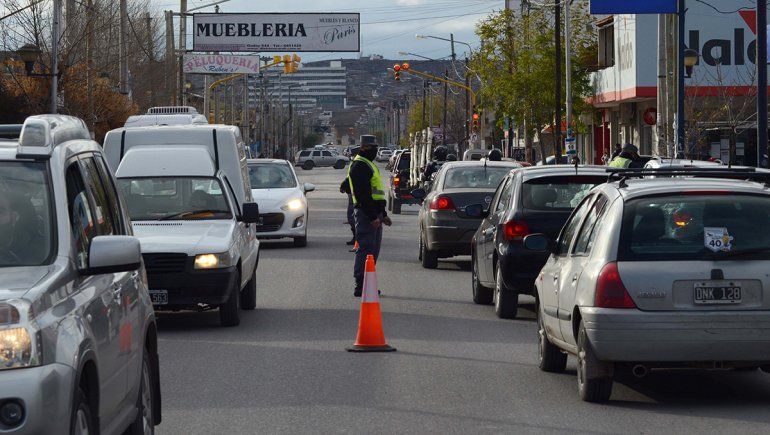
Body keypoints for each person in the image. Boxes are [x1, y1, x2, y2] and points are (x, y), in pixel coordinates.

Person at [348, 136, 391, 297]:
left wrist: (383, 214)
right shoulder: (360, 165)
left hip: (374, 212)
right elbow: (363, 195)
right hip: (366, 214)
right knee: (366, 248)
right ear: (363, 148)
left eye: (375, 147)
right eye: (372, 148)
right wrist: (373, 216)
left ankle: (368, 283)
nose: (375, 151)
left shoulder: (368, 164)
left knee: (373, 251)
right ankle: (361, 285)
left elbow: (376, 194)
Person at [340, 146, 360, 246]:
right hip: (352, 193)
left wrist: (344, 185)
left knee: (352, 216)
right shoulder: (355, 163)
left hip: (356, 195)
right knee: (353, 216)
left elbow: (353, 178)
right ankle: (356, 237)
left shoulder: (358, 164)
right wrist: (345, 185)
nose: (351, 157)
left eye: (353, 155)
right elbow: (350, 177)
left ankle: (357, 238)